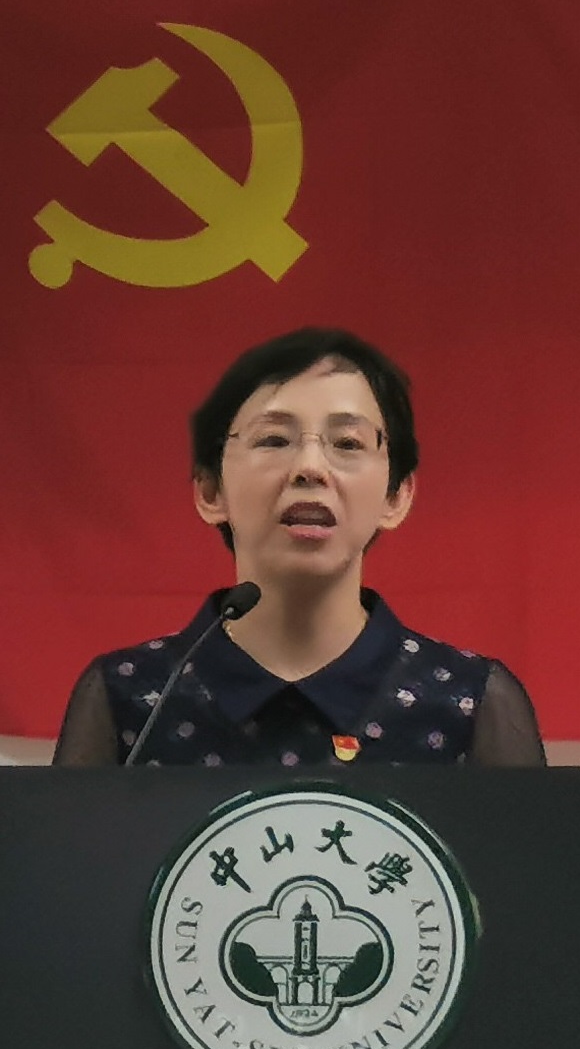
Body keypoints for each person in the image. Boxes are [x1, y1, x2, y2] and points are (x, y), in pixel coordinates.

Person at [52, 327, 545, 768]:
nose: (310, 468)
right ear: (210, 490)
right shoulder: (131, 697)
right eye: (273, 440)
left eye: (347, 444)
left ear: (396, 496)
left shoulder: (467, 704)